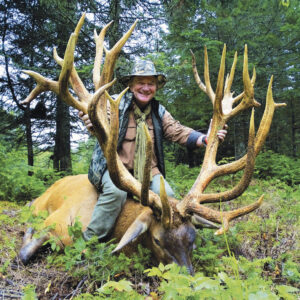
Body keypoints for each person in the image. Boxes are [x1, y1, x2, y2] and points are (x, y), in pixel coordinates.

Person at [79, 59, 227, 242]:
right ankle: (90, 242)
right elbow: (97, 117)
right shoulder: (115, 104)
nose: (146, 88)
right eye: (141, 83)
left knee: (169, 198)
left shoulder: (158, 111)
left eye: (151, 84)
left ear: (156, 87)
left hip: (149, 172)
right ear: (131, 85)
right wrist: (90, 119)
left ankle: (169, 240)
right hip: (117, 169)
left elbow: (178, 131)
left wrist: (205, 138)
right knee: (116, 194)